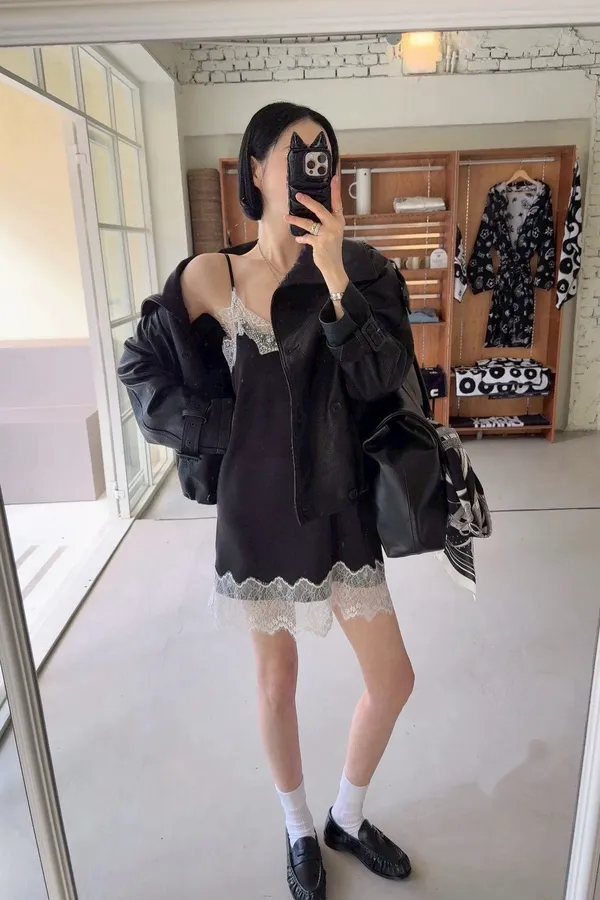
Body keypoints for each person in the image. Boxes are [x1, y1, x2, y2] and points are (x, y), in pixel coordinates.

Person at [118, 101, 416, 900]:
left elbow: (382, 379)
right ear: (257, 168)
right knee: (276, 682)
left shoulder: (363, 270)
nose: (316, 168)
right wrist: (223, 431)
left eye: (326, 156)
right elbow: (141, 370)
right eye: (298, 153)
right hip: (256, 509)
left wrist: (335, 274)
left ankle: (347, 815)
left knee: (393, 679)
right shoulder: (213, 275)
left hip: (340, 501)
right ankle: (298, 828)